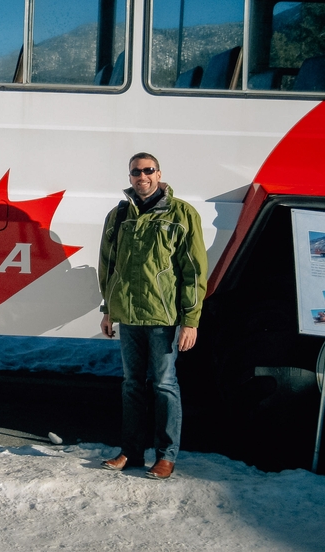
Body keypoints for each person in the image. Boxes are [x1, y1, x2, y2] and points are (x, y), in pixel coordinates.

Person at [97, 153, 207, 480]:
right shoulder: (119, 216)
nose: (142, 177)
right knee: (131, 384)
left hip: (163, 318)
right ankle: (130, 452)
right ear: (129, 177)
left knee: (164, 384)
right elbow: (108, 265)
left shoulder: (182, 214)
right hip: (129, 317)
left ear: (159, 173)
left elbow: (195, 271)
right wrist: (108, 309)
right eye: (135, 172)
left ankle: (166, 455)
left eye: (148, 170)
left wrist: (191, 320)